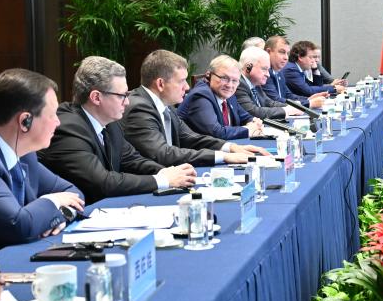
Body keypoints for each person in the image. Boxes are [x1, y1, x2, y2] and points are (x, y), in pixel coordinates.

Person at [38, 57, 196, 205]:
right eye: (122, 96)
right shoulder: (68, 129)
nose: (127, 102)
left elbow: (132, 160)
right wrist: (163, 180)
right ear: (96, 97)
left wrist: (168, 172)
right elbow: (103, 183)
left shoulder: (110, 123)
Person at [0, 69, 84, 253]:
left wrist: (61, 214)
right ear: (25, 121)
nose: (58, 122)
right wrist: (52, 201)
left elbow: (73, 193)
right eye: (52, 115)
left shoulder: (22, 147)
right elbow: (18, 225)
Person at [122, 50, 269, 167]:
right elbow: (163, 154)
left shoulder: (166, 106)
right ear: (161, 84)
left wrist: (230, 147)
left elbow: (191, 137)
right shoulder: (140, 109)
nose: (187, 87)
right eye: (181, 81)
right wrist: (223, 156)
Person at [178, 55, 264, 141]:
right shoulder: (200, 96)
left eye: (234, 80)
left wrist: (254, 122)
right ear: (209, 75)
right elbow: (216, 133)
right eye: (224, 78)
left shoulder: (228, 94)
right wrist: (248, 130)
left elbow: (245, 117)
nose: (229, 85)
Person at [236, 46, 324, 119]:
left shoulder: (255, 84)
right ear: (248, 67)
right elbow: (254, 112)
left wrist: (296, 107)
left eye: (268, 70)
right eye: (264, 69)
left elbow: (269, 103)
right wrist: (287, 110)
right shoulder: (238, 84)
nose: (268, 75)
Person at [263, 36, 309, 104]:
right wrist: (309, 103)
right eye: (282, 52)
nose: (286, 58)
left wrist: (309, 99)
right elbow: (276, 100)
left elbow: (288, 95)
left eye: (287, 54)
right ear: (268, 52)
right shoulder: (264, 73)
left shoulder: (279, 72)